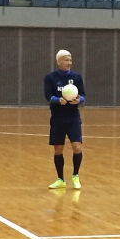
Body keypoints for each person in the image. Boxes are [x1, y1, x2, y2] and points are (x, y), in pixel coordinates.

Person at [44, 49, 86, 189]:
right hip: (57, 117)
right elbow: (48, 96)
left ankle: (75, 176)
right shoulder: (50, 77)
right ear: (59, 61)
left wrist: (79, 100)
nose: (69, 63)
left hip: (73, 117)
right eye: (67, 60)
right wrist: (57, 100)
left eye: (70, 60)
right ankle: (60, 179)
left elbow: (83, 95)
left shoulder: (77, 77)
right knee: (58, 149)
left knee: (77, 146)